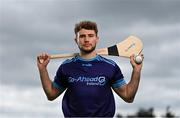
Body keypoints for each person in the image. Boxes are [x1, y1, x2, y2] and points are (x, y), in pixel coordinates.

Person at [37, 20, 144, 117]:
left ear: (96, 39)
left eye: (90, 35)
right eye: (82, 36)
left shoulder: (110, 66)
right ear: (76, 40)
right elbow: (51, 94)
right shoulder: (66, 67)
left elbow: (128, 96)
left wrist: (136, 70)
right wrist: (43, 69)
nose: (87, 39)